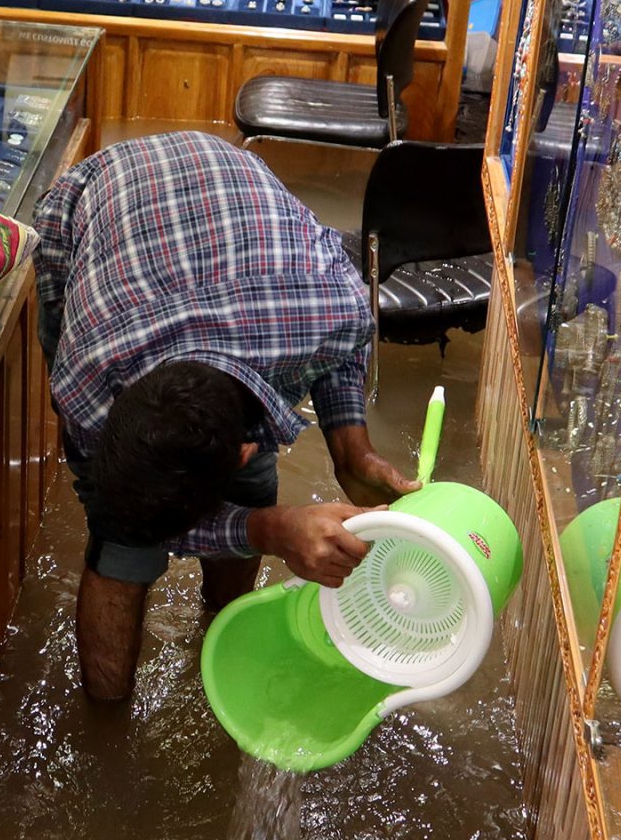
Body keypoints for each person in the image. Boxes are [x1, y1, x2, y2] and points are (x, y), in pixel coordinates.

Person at [32, 132, 412, 703]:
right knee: (121, 536)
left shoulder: (327, 303)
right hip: (99, 189)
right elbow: (121, 496)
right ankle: (105, 713)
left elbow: (342, 346)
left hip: (236, 199)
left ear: (244, 446)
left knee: (253, 499)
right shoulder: (85, 378)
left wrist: (350, 449)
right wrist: (272, 530)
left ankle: (223, 649)